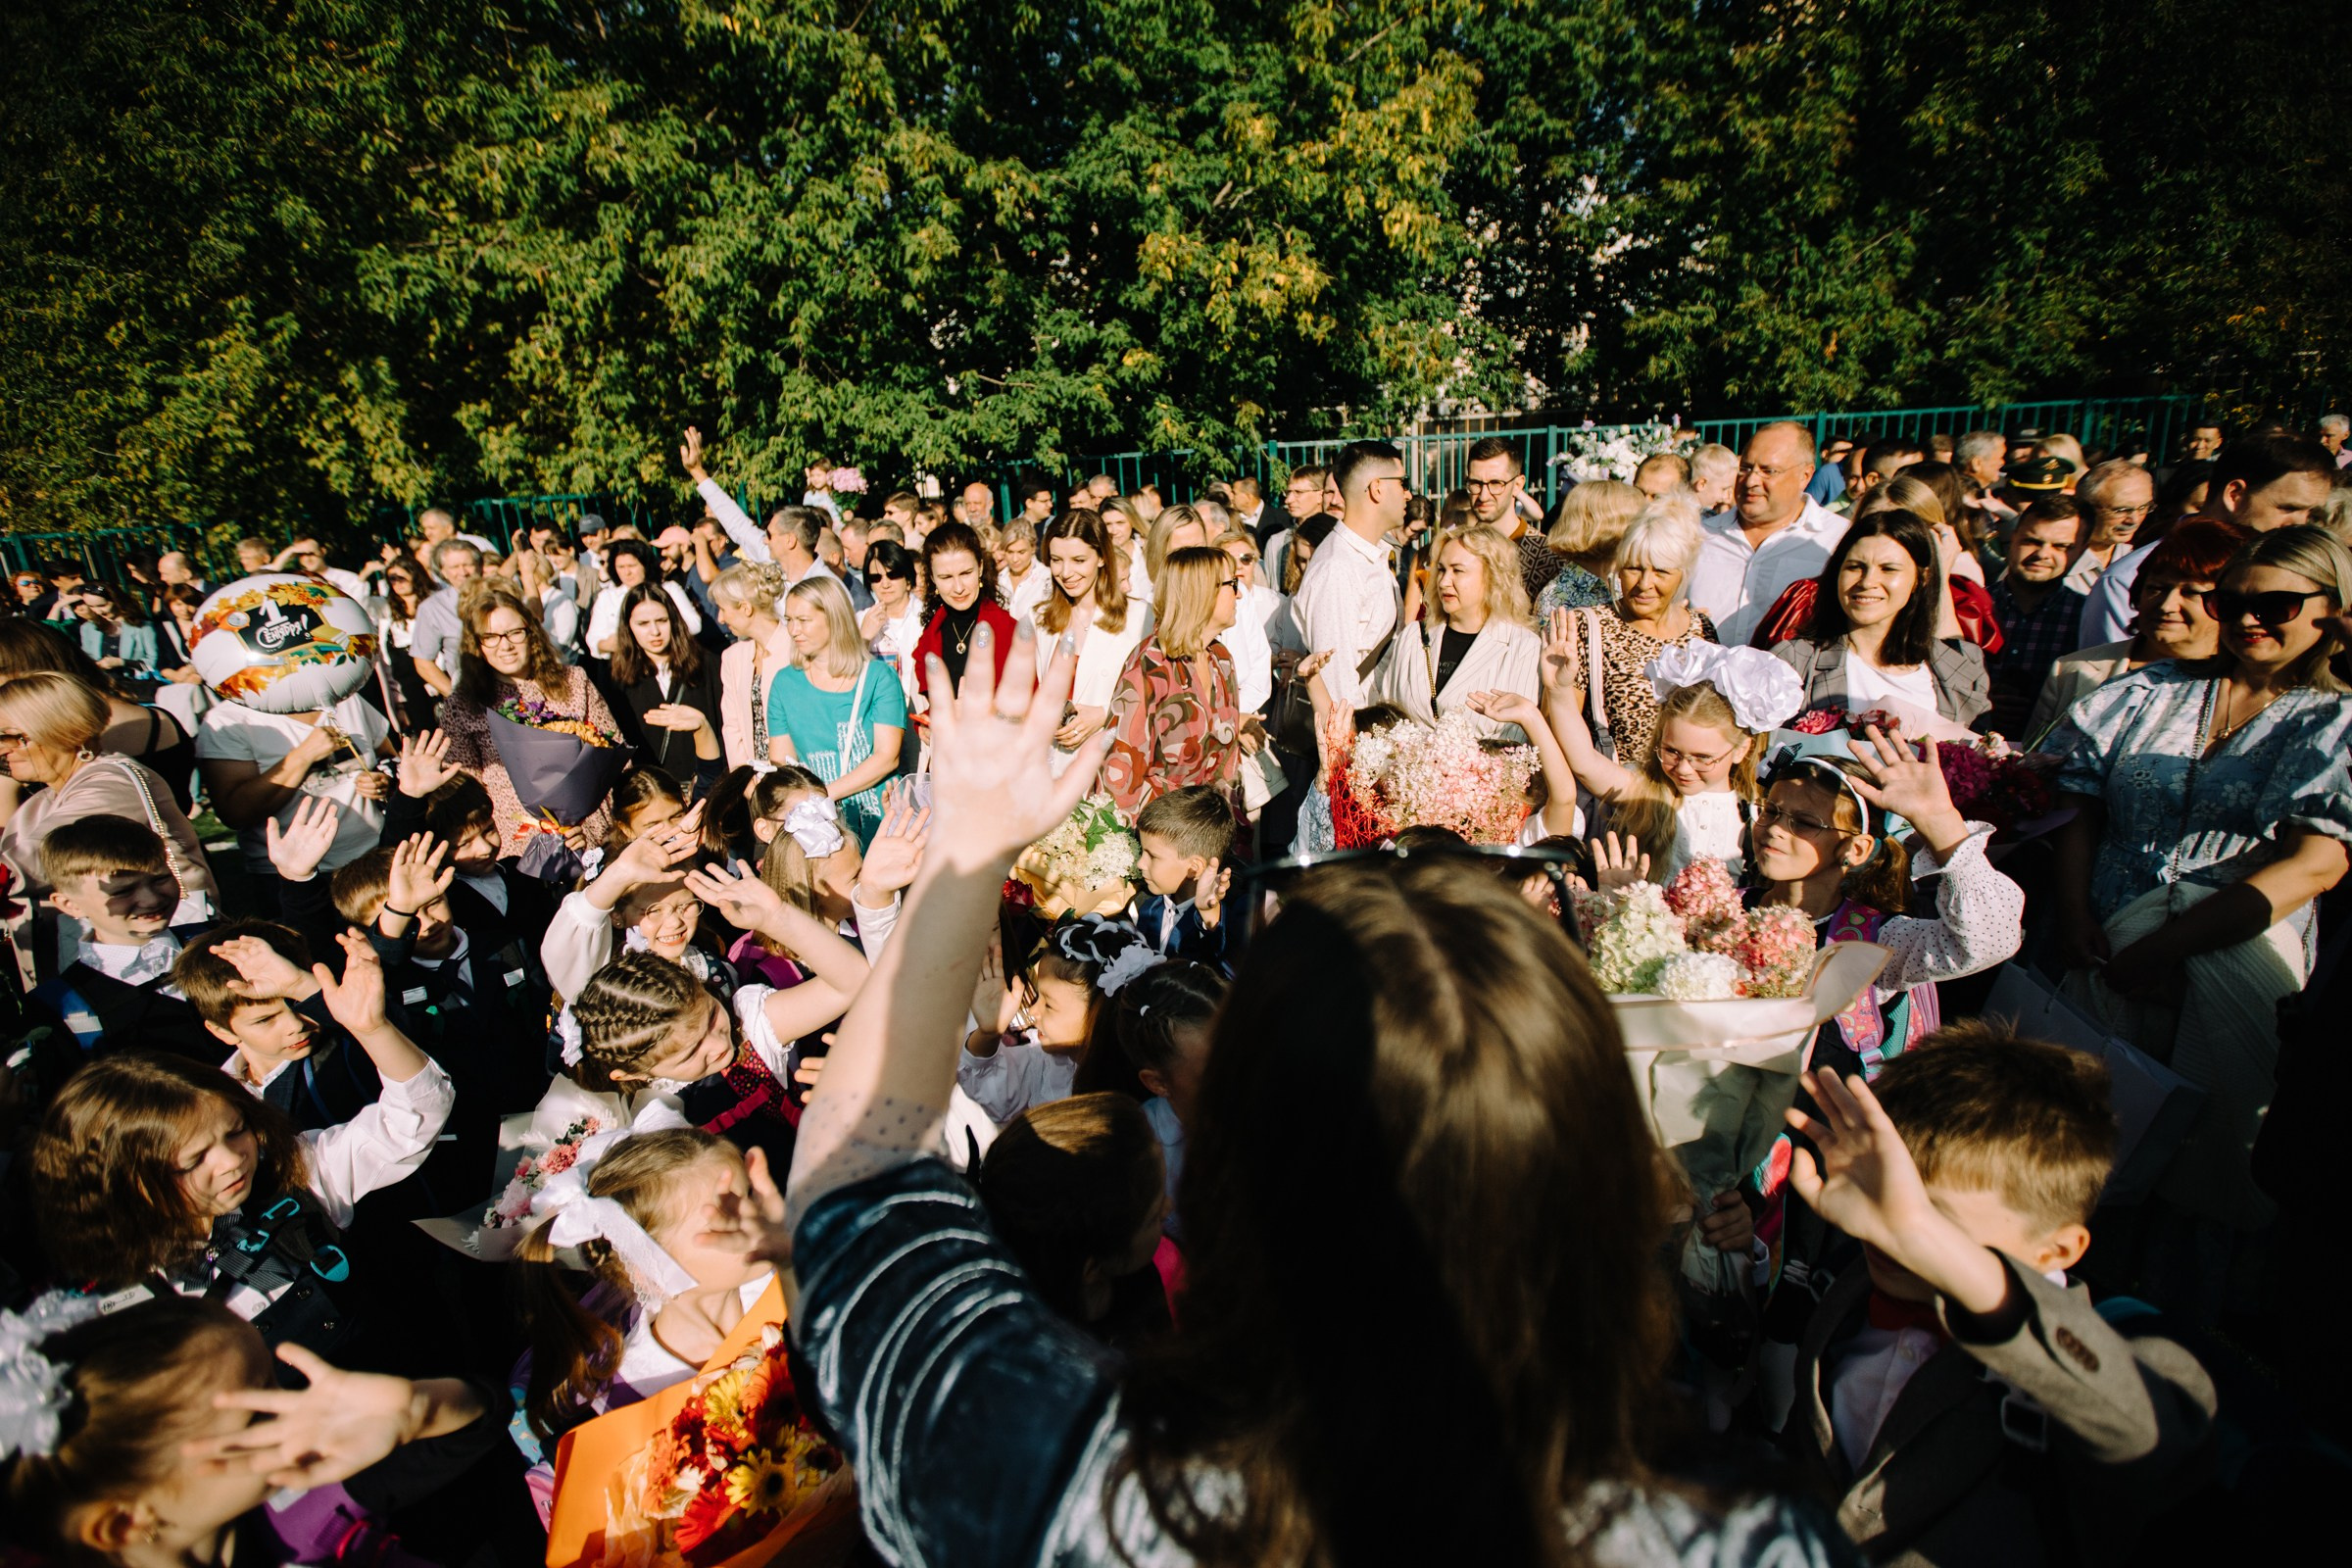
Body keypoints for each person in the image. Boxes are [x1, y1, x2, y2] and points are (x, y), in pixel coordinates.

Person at [754, 635, 1851, 1568]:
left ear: (1232, 1157)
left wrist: (966, 854)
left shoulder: (1066, 1479)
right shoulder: (1746, 1545)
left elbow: (855, 1172)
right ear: (1601, 1169)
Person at [1783, 1031, 2215, 1565]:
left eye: (1932, 1216)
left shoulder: (2096, 1365)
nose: (1887, 1226)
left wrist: (1926, 1240)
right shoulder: (1850, 1288)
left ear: (2055, 1250)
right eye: (1884, 1193)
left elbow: (2152, 1439)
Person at [2053, 529, 2352, 1281]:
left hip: (2230, 965)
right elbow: (2079, 808)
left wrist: (2165, 948)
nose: (2249, 619)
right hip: (2105, 953)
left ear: (2332, 609)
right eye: (2233, 601)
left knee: (2195, 1180)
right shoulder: (2151, 691)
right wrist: (2077, 915)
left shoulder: (2335, 719)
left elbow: (2317, 864)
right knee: (2075, 1151)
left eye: (2276, 605)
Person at [29, 947, 452, 1363]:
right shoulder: (112, 1296)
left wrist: (372, 1030)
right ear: (123, 1178)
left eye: (236, 1131)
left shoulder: (292, 1174)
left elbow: (411, 1120)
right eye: (195, 1159)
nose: (231, 1160)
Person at [0, 1294, 498, 1568]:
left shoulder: (297, 1500)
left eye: (273, 1385)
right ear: (124, 1522)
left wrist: (414, 1411)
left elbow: (484, 1421)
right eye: (257, 1416)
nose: (296, 1411)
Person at [1543, 639, 1799, 880]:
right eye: (1672, 752)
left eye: (1702, 758)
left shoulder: (1757, 811)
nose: (1684, 768)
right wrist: (1559, 690)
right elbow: (1585, 762)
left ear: (1741, 750)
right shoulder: (1650, 793)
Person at [2078, 431, 2337, 646]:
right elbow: (2112, 676)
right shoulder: (2129, 579)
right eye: (2288, 508)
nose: (2300, 524)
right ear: (2234, 495)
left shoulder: (2306, 577)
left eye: (2311, 513)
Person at [438, 580, 625, 856]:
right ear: (477, 644)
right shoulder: (463, 705)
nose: (505, 646)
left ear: (531, 633)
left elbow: (614, 752)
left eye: (515, 633)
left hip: (590, 829)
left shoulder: (574, 681)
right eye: (491, 637)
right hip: (518, 839)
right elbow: (465, 787)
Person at [2028, 517, 2252, 741]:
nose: (2167, 606)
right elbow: (2033, 755)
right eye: (2156, 588)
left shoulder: (2248, 681)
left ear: (2226, 601)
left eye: (2191, 592)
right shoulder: (2072, 670)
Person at [1540, 500, 1722, 772]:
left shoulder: (1701, 630)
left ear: (1682, 574)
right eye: (1634, 568)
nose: (1645, 584)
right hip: (1611, 786)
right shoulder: (1586, 627)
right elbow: (1555, 728)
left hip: (1687, 784)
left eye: (1661, 571)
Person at [974, 1094, 1171, 1346]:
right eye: (1153, 1217)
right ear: (1092, 1269)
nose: (1169, 1208)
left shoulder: (1137, 1277)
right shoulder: (1047, 1353)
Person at [1770, 509, 1991, 730]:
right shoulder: (1795, 661)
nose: (1867, 582)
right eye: (1855, 567)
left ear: (1921, 578)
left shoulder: (1962, 665)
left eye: (1888, 569)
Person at [1102, 547, 1243, 818]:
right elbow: (1122, 772)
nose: (1240, 594)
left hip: (1211, 828)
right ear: (1203, 591)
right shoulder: (1150, 665)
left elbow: (1228, 765)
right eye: (1232, 584)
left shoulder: (1221, 659)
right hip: (1160, 829)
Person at [767, 574, 906, 846]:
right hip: (817, 828)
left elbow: (887, 757)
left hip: (877, 817)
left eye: (803, 620)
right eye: (789, 620)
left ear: (834, 618)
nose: (793, 630)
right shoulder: (784, 683)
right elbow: (781, 759)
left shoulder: (878, 677)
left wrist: (822, 795)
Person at [1295, 441, 1406, 771]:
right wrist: (1361, 767)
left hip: (1380, 736)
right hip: (1361, 754)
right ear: (1377, 488)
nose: (1408, 494)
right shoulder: (1337, 568)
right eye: (1402, 483)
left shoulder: (1368, 554)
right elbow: (1338, 686)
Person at [1690, 421, 1850, 647]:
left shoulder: (1838, 540)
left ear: (1805, 475)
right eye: (1745, 468)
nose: (1751, 481)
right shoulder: (1698, 535)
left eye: (1768, 471)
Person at [1377, 525, 1542, 740]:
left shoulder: (1522, 646)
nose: (1444, 582)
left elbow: (1517, 738)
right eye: (1441, 570)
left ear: (1493, 576)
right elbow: (1386, 717)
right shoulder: (1413, 636)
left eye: (1458, 571)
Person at [1034, 510, 1147, 768]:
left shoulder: (1140, 617)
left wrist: (1105, 713)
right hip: (1054, 768)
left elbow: (1156, 696)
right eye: (1056, 560)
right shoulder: (1038, 619)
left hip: (1115, 765)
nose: (1066, 572)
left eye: (1078, 560)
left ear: (1101, 557)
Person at [1979, 498, 2089, 735]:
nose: (2042, 554)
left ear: (2082, 551)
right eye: (2031, 541)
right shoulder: (1972, 607)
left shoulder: (2086, 616)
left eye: (2061, 547)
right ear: (2012, 538)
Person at [608, 582, 724, 791]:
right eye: (643, 623)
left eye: (662, 621)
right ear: (628, 626)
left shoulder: (708, 665)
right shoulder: (616, 678)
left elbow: (725, 729)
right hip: (648, 794)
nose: (654, 632)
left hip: (705, 789)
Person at [909, 522, 1017, 720]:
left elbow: (1028, 709)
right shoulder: (929, 639)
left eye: (966, 573)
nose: (958, 588)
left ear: (980, 568)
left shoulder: (1009, 631)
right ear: (932, 578)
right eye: (946, 577)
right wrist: (927, 724)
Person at [1132, 785, 1236, 968]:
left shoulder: (1231, 918)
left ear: (1194, 868)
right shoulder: (1145, 904)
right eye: (1142, 852)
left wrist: (1209, 915)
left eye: (1152, 856)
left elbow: (1227, 964)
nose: (1140, 864)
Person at [709, 561, 794, 772]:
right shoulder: (732, 657)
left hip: (796, 776)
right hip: (753, 780)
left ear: (745, 608)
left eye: (722, 609)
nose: (720, 618)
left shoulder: (796, 648)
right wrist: (744, 781)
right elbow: (732, 727)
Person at [1459, 436, 1555, 602]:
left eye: (1496, 483)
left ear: (1517, 485)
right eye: (1475, 483)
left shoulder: (1546, 556)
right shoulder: (1459, 548)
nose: (1483, 495)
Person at [1538, 478, 1645, 615]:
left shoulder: (1621, 582)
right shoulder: (1558, 599)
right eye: (1636, 522)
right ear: (1609, 528)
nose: (1644, 532)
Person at [586, 539, 703, 658]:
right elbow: (593, 640)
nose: (627, 572)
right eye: (621, 567)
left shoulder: (669, 589)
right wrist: (608, 644)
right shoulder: (607, 597)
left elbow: (694, 624)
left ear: (645, 565)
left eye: (632, 566)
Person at [2058, 459, 2156, 595]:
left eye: (2143, 507)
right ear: (2084, 507)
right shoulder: (2055, 563)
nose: (2134, 520)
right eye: (2121, 510)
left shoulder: (2143, 560)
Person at [407, 538, 481, 698]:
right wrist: (458, 698)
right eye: (454, 567)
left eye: (468, 564)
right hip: (472, 692)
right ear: (443, 571)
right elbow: (423, 663)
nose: (463, 572)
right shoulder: (432, 608)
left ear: (479, 566)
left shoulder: (500, 595)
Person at [858, 538, 926, 709]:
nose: (885, 584)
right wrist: (863, 638)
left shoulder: (928, 617)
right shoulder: (860, 620)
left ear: (908, 578)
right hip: (879, 713)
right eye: (876, 577)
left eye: (893, 574)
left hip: (922, 711)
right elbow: (847, 673)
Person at [1001, 515, 1053, 620]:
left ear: (1033, 548)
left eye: (1021, 552)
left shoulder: (1046, 578)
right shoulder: (999, 579)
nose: (1015, 559)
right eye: (1010, 552)